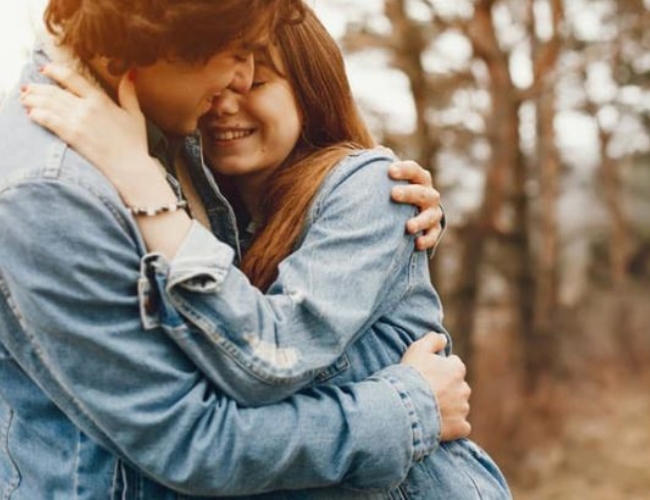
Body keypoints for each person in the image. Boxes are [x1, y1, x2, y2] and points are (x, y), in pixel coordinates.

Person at [23, 4, 512, 499]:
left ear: (310, 89)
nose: (223, 103)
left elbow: (270, 355)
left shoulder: (373, 188)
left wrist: (145, 185)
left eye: (256, 82)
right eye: (228, 70)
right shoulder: (211, 207)